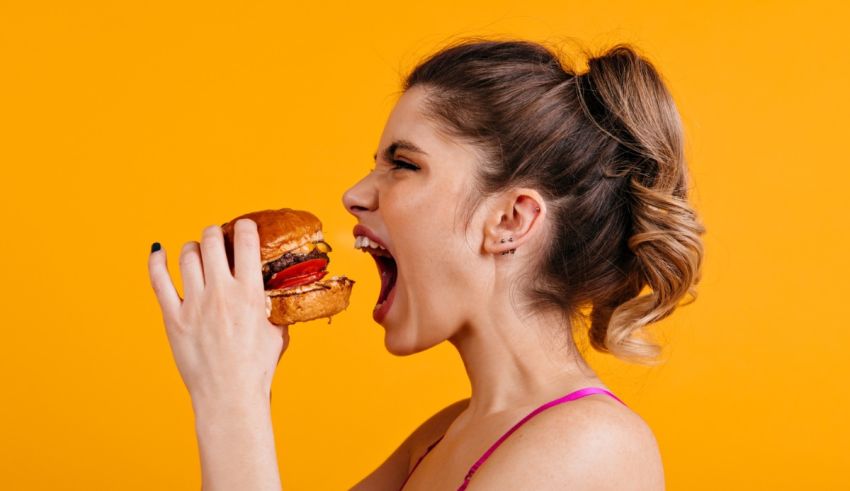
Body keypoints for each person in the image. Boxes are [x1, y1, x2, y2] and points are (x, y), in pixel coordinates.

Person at [148, 38, 705, 491]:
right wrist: (241, 375)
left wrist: (231, 401)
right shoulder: (443, 436)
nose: (354, 195)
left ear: (510, 220)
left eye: (403, 164)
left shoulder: (593, 446)